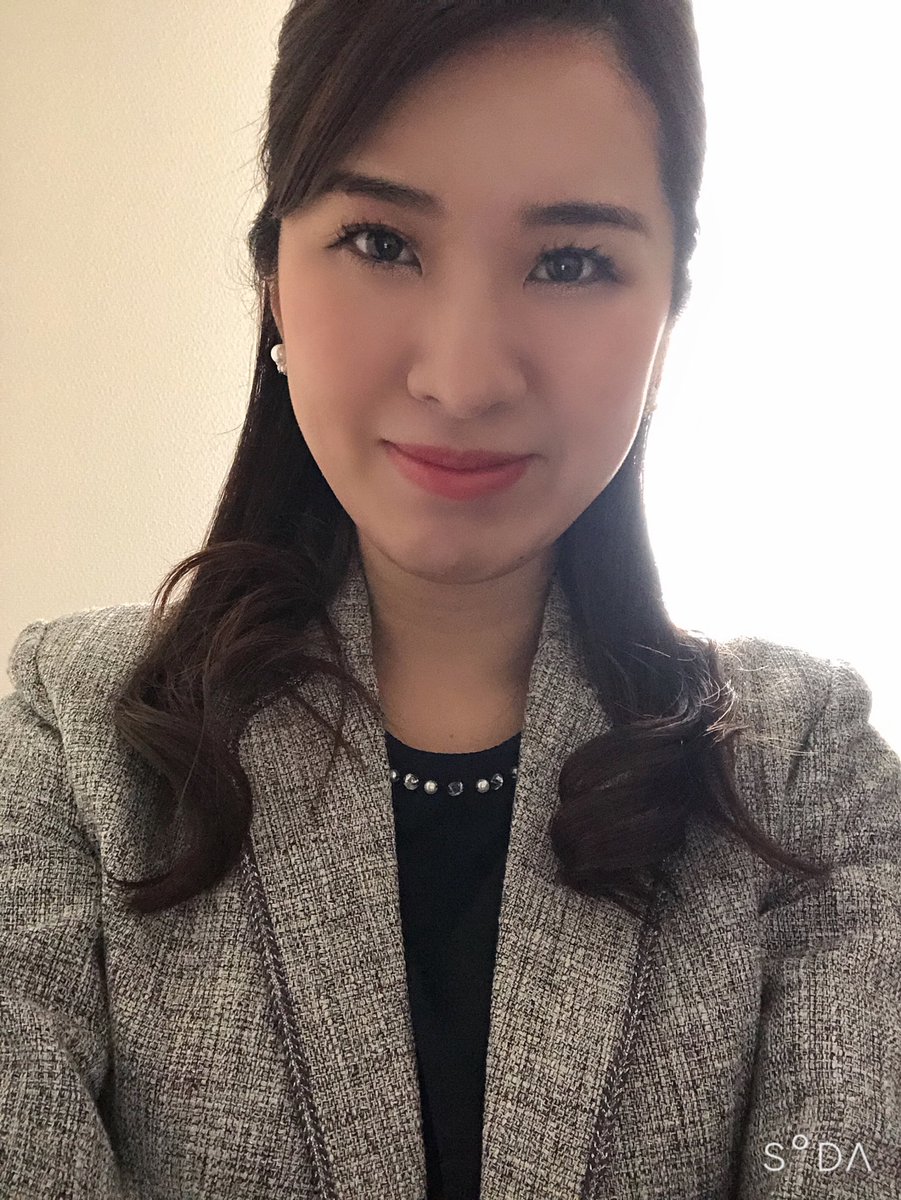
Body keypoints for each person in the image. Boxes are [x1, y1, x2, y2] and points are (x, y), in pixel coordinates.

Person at [1, 2, 899, 1197]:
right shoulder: (71, 743)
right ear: (274, 279)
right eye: (382, 241)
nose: (463, 378)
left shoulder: (802, 772)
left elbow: (841, 1160)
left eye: (570, 261)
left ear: (669, 309)